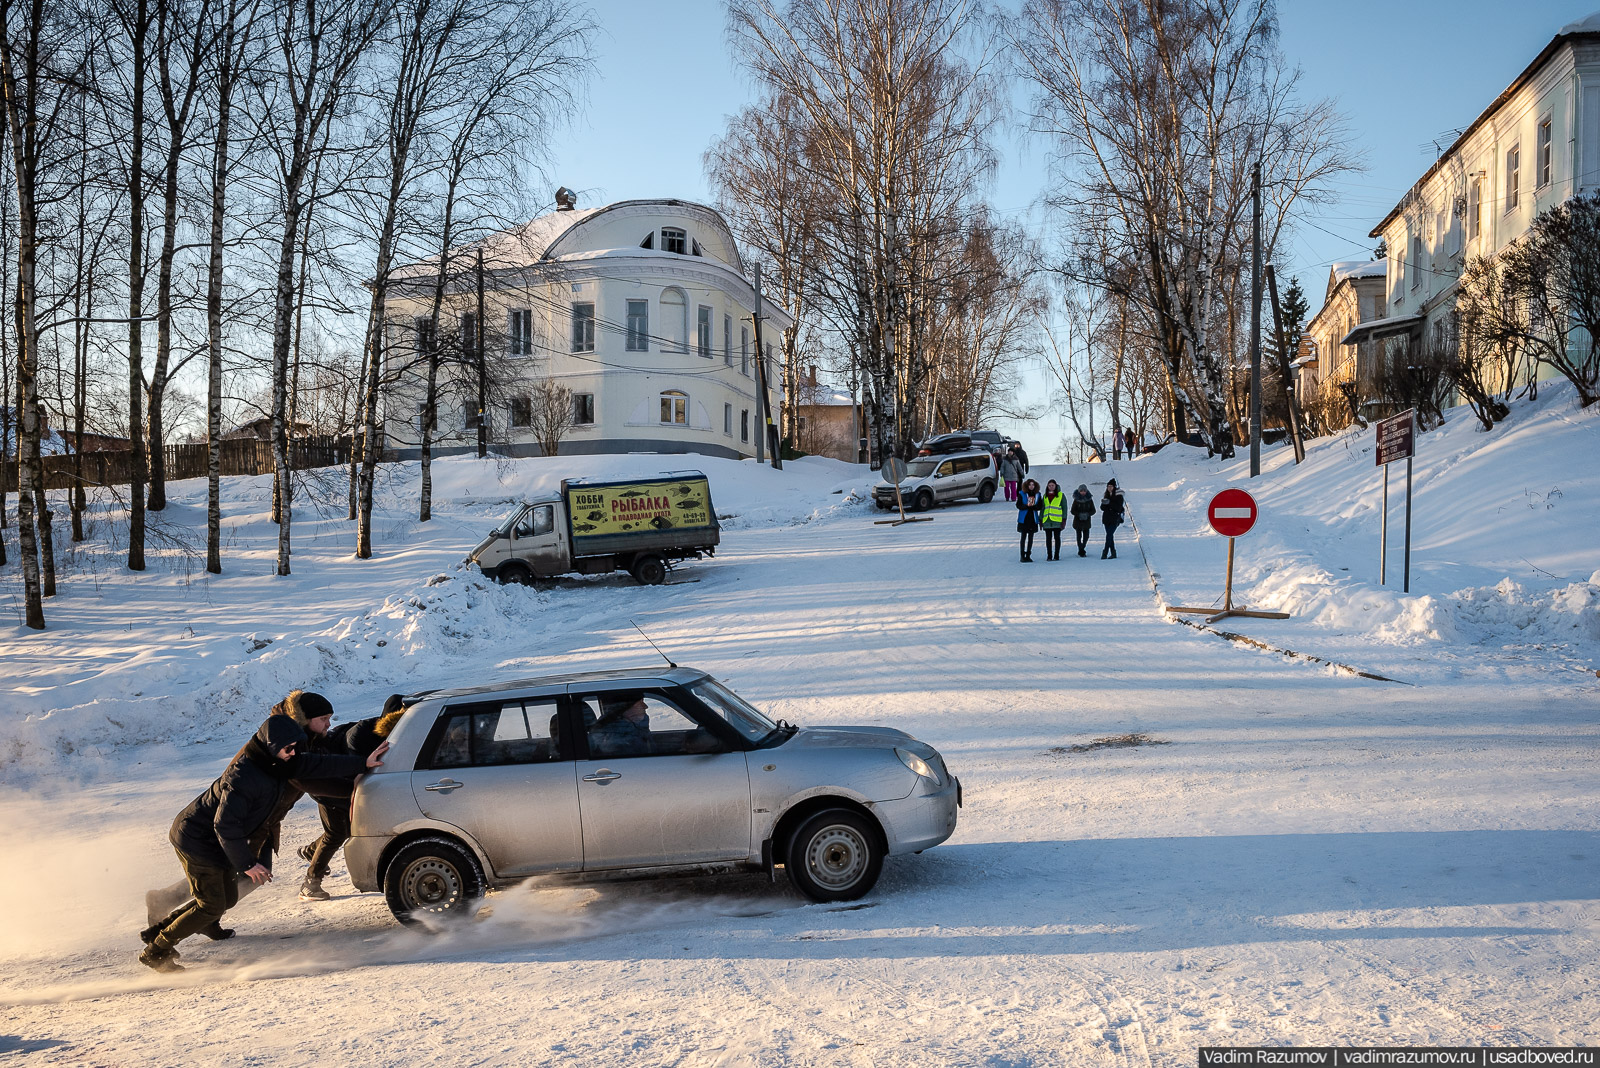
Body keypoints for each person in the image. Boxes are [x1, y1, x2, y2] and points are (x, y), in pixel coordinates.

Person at [137, 715, 383, 972]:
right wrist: (248, 863)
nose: (294, 754)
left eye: (296, 748)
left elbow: (317, 763)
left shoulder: (279, 761)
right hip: (196, 838)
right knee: (211, 904)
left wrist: (361, 763)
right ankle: (156, 951)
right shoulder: (244, 776)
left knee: (226, 899)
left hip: (223, 838)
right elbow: (225, 825)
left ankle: (159, 932)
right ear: (271, 745)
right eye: (289, 749)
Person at [290, 692, 407, 901]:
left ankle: (312, 852)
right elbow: (355, 771)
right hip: (328, 786)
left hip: (340, 782)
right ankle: (310, 883)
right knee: (337, 832)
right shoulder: (360, 734)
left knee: (342, 828)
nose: (328, 724)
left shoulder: (390, 732)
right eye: (323, 719)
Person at [1038, 479, 1066, 561]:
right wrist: (1040, 519)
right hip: (1047, 520)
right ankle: (1049, 555)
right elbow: (1043, 508)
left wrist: (1064, 519)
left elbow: (1064, 507)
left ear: (1056, 486)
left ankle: (1056, 555)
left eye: (1052, 485)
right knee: (1048, 539)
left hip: (1057, 520)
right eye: (1049, 485)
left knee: (1057, 538)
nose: (1051, 487)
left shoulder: (1061, 495)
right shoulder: (1045, 496)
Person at [1015, 477, 1042, 563]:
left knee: (1031, 538)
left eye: (1033, 484)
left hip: (1033, 519)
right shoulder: (1022, 494)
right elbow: (1018, 505)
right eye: (1029, 485)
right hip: (1024, 519)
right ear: (1026, 486)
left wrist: (1034, 507)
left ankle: (1028, 555)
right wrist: (1026, 506)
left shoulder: (1038, 494)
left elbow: (1040, 506)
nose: (1031, 486)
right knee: (1023, 537)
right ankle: (1022, 555)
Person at [1100, 478, 1127, 559]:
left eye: (1111, 486)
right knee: (1110, 536)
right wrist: (1104, 503)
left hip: (1115, 519)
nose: (1109, 488)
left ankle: (1105, 552)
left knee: (1109, 535)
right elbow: (1102, 508)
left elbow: (1119, 507)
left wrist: (1109, 503)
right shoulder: (1106, 495)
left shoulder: (1119, 496)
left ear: (1114, 487)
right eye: (1108, 486)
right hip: (1106, 519)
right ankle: (1113, 552)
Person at [1070, 483, 1096, 557]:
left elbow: (1093, 510)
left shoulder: (1089, 500)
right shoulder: (1076, 500)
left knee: (1086, 537)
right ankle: (1081, 550)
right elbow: (1072, 511)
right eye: (1081, 491)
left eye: (1084, 491)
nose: (1083, 492)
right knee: (1079, 537)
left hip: (1087, 522)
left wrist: (1087, 514)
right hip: (1078, 521)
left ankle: (1082, 547)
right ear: (1079, 492)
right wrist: (1079, 514)